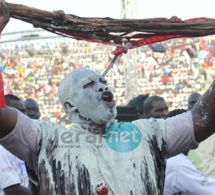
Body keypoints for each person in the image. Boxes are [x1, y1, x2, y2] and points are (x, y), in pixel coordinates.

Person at [1, 2, 215, 194]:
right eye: (89, 84)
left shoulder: (146, 134)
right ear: (70, 105)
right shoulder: (48, 140)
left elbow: (203, 118)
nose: (102, 86)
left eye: (103, 81)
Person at [164, 109, 215, 195]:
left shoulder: (172, 157)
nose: (200, 131)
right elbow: (210, 189)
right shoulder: (178, 163)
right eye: (195, 128)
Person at [0, 94, 31, 195]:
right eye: (16, 111)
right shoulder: (2, 148)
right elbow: (12, 190)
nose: (22, 116)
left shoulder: (21, 142)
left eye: (23, 112)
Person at [188, 92, 215, 177]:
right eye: (192, 102)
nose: (196, 105)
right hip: (190, 181)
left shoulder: (212, 129)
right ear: (187, 107)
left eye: (199, 101)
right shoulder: (183, 130)